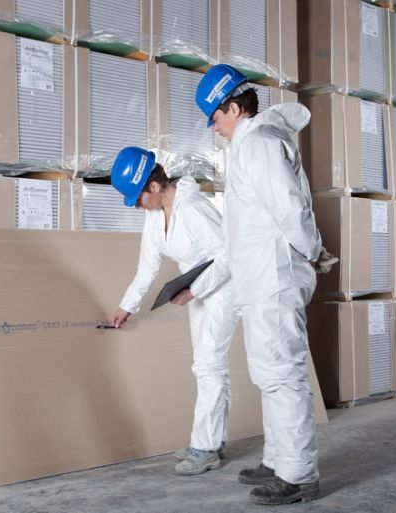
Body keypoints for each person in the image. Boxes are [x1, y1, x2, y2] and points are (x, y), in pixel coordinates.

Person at [194, 64, 323, 505]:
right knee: (270, 375)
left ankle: (298, 474)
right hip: (260, 280)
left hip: (275, 278)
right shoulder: (250, 147)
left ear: (233, 108)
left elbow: (290, 208)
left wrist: (312, 251)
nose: (214, 127)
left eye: (215, 117)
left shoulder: (260, 145)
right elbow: (243, 231)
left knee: (282, 376)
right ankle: (278, 459)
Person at [108, 146, 239, 476]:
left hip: (222, 288)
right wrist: (127, 305)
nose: (136, 206)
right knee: (205, 365)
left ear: (154, 186)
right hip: (195, 290)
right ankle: (213, 440)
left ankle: (205, 447)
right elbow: (148, 265)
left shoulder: (193, 208)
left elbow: (229, 256)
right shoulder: (155, 217)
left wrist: (195, 289)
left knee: (209, 363)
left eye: (137, 198)